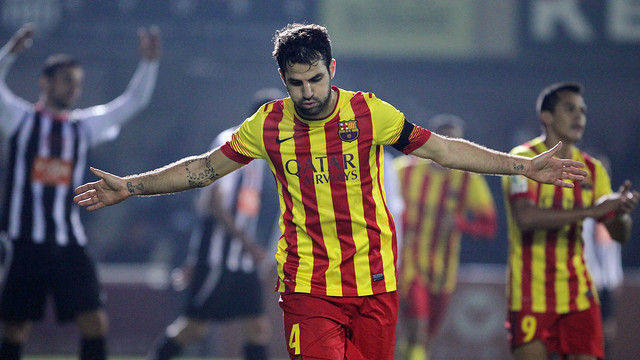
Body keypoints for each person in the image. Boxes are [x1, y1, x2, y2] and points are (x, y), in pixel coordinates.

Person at [73, 23, 588, 360]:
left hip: (376, 281)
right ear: (283, 79)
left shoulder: (370, 113)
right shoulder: (266, 125)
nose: (309, 93)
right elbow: (205, 170)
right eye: (297, 83)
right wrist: (134, 187)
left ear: (332, 70)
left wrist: (522, 166)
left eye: (316, 79)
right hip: (309, 286)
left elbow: (446, 152)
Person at [0, 23, 161, 360]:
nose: (73, 88)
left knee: (94, 322)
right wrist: (9, 55)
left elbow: (134, 102)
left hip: (69, 243)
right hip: (23, 241)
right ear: (45, 82)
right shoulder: (19, 119)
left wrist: (149, 64)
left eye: (78, 83)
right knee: (14, 327)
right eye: (66, 81)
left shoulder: (83, 126)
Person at [501, 82, 638, 360]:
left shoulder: (593, 169)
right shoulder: (522, 159)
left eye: (583, 111)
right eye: (570, 109)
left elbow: (619, 235)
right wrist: (591, 210)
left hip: (579, 296)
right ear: (546, 117)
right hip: (530, 295)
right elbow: (525, 217)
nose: (579, 117)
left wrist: (621, 211)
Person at [147, 88, 285, 360]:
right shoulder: (230, 142)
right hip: (218, 259)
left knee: (257, 329)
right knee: (192, 328)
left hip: (242, 262)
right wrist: (249, 246)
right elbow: (214, 203)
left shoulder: (263, 156)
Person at [394, 114, 497, 360]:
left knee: (425, 335)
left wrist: (461, 224)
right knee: (418, 326)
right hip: (408, 264)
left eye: (457, 143)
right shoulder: (403, 172)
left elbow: (489, 226)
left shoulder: (468, 180)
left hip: (442, 270)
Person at [581, 152, 623, 360]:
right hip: (578, 285)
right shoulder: (577, 206)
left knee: (602, 343)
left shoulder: (611, 210)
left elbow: (609, 257)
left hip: (600, 287)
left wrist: (609, 311)